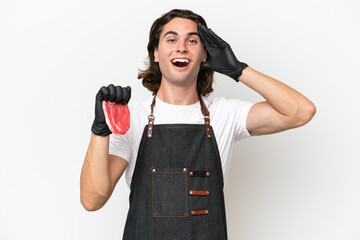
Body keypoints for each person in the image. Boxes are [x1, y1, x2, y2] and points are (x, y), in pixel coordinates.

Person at [80, 9, 316, 239]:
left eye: (192, 41)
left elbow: (301, 112)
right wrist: (100, 131)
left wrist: (238, 70)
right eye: (171, 39)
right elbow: (92, 200)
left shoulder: (225, 114)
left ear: (205, 55)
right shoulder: (132, 118)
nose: (181, 47)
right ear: (155, 53)